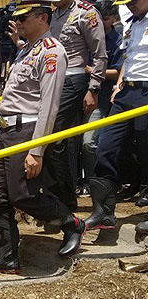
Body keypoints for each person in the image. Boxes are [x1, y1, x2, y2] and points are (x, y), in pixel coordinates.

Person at [0, 0, 88, 274]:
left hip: (27, 131)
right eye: (18, 18)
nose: (19, 22)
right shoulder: (27, 49)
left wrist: (37, 149)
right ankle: (7, 256)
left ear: (43, 18)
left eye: (25, 17)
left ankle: (71, 223)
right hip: (8, 130)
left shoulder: (52, 52)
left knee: (23, 194)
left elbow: (49, 105)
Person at [85, 0, 148, 231]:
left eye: (134, 1)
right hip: (126, 92)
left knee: (146, 148)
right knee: (105, 146)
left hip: (147, 91)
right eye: (127, 3)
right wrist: (119, 84)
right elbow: (128, 59)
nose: (130, 6)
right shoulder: (131, 25)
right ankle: (104, 211)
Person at [46, 0, 107, 211]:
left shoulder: (86, 12)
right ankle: (62, 197)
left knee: (54, 139)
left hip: (73, 79)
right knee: (56, 141)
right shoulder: (53, 14)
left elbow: (100, 54)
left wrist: (94, 88)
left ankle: (61, 202)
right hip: (52, 79)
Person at [80, 0, 124, 195]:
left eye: (104, 18)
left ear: (114, 18)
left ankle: (95, 182)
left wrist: (94, 71)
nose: (100, 22)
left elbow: (121, 70)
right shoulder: (86, 35)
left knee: (89, 142)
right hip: (79, 95)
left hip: (104, 98)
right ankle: (84, 181)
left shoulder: (119, 39)